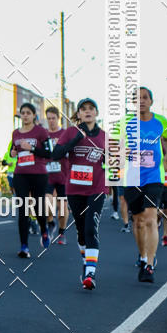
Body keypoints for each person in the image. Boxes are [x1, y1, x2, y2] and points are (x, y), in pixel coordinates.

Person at [36, 98, 106, 289]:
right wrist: (76, 139)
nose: (88, 111)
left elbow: (114, 164)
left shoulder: (105, 136)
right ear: (79, 114)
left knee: (91, 228)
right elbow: (56, 155)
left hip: (97, 188)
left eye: (91, 108)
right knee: (81, 231)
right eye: (83, 109)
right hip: (75, 189)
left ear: (96, 113)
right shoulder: (70, 132)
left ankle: (90, 273)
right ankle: (86, 261)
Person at [121, 87, 167, 283]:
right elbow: (114, 146)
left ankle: (149, 265)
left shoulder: (161, 121)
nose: (141, 101)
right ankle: (143, 256)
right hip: (132, 177)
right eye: (137, 98)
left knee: (150, 218)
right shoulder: (125, 122)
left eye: (145, 97)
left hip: (154, 176)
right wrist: (122, 151)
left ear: (151, 101)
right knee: (138, 221)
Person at [11, 103, 50, 257]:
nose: (25, 115)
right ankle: (24, 246)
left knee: (38, 208)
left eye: (28, 113)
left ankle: (44, 229)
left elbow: (49, 153)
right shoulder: (15, 133)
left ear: (34, 115)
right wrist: (13, 152)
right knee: (23, 210)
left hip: (38, 174)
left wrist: (32, 148)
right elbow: (13, 149)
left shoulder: (41, 131)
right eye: (23, 113)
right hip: (20, 174)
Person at [44, 105, 68, 244]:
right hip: (48, 175)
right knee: (47, 202)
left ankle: (62, 232)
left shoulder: (65, 134)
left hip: (63, 175)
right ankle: (50, 222)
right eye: (49, 118)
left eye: (53, 118)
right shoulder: (43, 135)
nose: (51, 121)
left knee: (63, 208)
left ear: (58, 118)